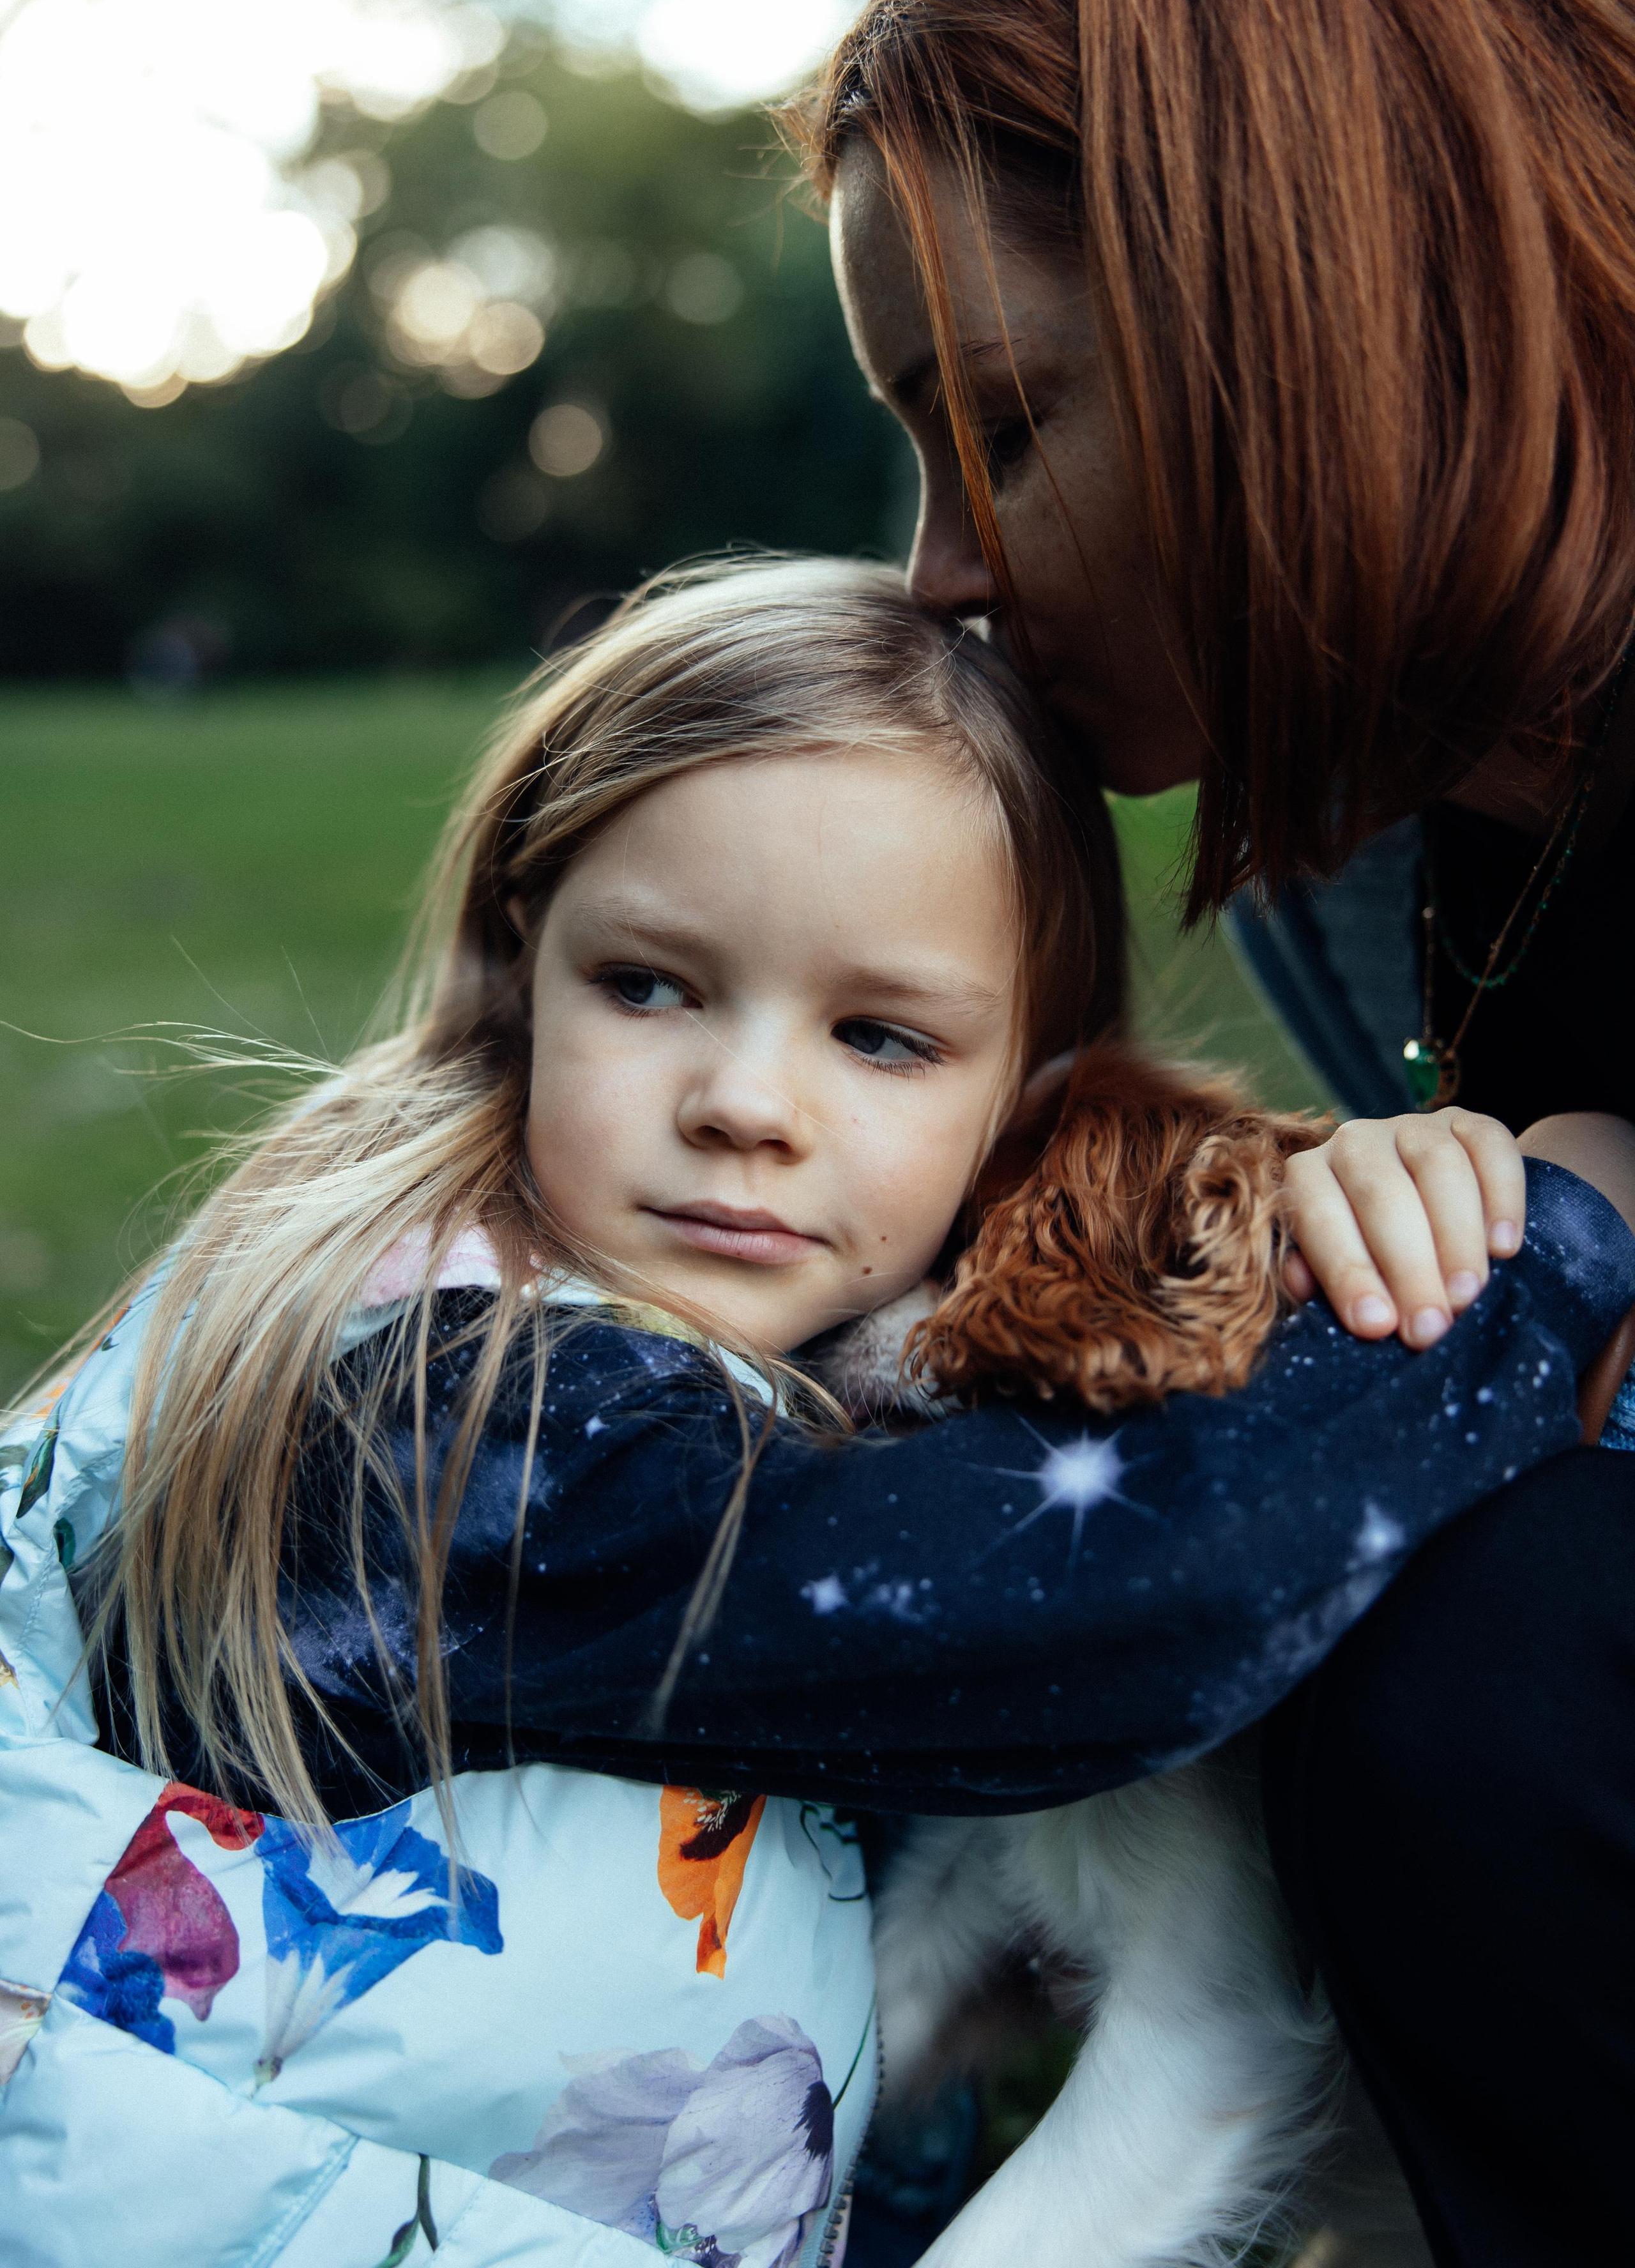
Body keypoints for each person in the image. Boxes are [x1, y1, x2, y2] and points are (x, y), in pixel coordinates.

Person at [3, 558, 1629, 2268]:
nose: (746, 1106)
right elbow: (1110, 1603)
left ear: (1027, 1096)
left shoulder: (554, 1326)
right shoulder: (451, 1409)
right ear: (512, 975)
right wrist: (1538, 1251)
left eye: (877, 1035)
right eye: (650, 986)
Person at [787, 0, 1635, 2255]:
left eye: (1007, 422)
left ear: (1315, 302)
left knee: (1497, 1658)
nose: (940, 570)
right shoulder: (1392, 851)